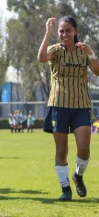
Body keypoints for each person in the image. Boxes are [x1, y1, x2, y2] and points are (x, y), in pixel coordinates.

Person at [38, 16, 99, 201]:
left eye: (68, 30)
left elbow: (97, 71)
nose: (65, 34)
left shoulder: (83, 51)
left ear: (76, 31)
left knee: (84, 147)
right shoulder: (55, 50)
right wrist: (48, 32)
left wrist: (92, 55)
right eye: (61, 31)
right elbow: (41, 58)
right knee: (61, 150)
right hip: (58, 106)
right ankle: (65, 189)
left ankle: (78, 175)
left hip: (81, 106)